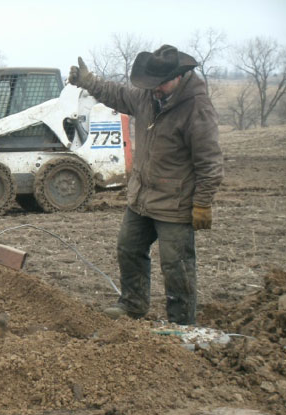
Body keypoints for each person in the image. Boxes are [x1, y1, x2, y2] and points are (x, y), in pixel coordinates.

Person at [69, 45, 223, 326]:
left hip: (175, 203)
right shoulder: (147, 96)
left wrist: (202, 203)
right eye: (151, 85)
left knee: (176, 266)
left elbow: (210, 162)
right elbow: (117, 94)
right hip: (141, 197)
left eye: (160, 85)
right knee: (128, 248)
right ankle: (133, 305)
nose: (155, 90)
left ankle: (181, 324)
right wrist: (88, 81)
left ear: (178, 77)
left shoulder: (197, 108)